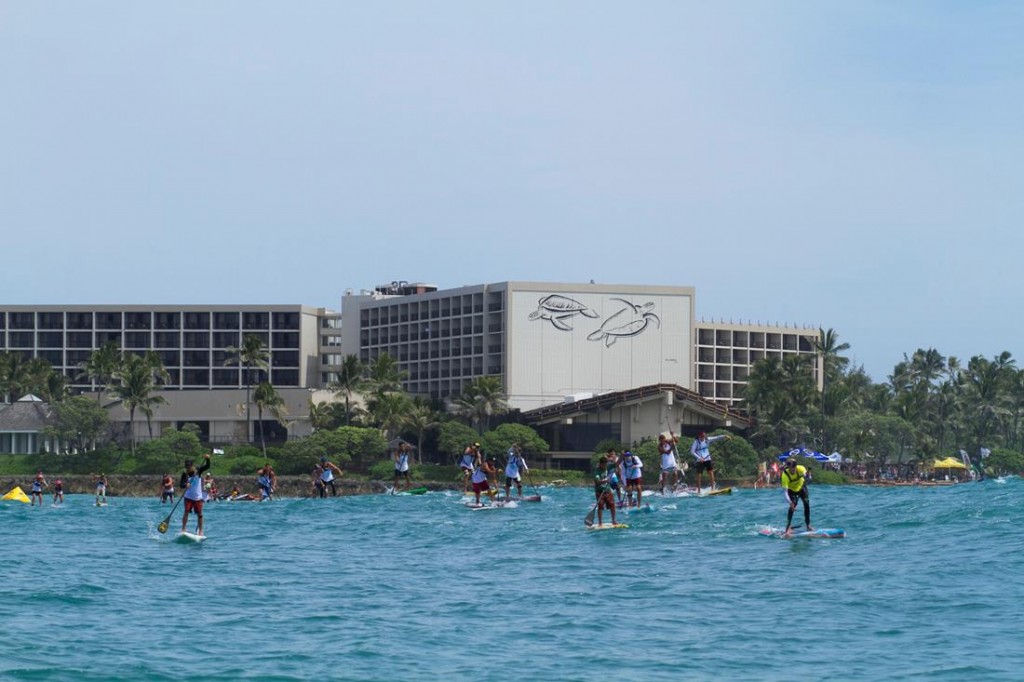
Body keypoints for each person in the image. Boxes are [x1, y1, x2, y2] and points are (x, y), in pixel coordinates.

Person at [180, 453, 212, 536]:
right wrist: (185, 485)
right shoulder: (185, 474)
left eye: (189, 466)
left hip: (198, 497)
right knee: (186, 512)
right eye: (187, 466)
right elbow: (181, 484)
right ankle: (183, 528)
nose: (188, 468)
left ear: (192, 465)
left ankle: (200, 531)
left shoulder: (198, 471)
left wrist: (208, 459)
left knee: (200, 514)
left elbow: (207, 466)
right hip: (188, 497)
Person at [781, 456, 813, 538]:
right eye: (792, 468)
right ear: (789, 467)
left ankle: (808, 525)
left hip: (802, 487)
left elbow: (807, 476)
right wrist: (790, 503)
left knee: (807, 504)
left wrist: (809, 475)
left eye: (795, 468)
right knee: (792, 506)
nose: (794, 470)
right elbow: (785, 492)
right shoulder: (785, 475)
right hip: (792, 491)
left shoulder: (801, 468)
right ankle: (788, 528)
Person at [592, 455, 618, 526]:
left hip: (607, 490)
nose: (605, 466)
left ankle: (614, 521)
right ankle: (600, 523)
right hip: (599, 491)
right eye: (603, 465)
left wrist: (621, 456)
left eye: (605, 465)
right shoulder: (597, 471)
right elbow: (597, 482)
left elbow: (617, 464)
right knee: (600, 506)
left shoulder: (608, 467)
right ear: (600, 464)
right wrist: (606, 481)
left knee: (612, 505)